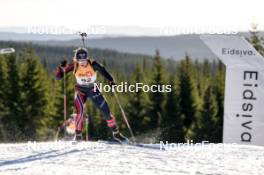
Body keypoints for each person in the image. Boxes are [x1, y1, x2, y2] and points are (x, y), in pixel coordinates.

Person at [55, 48, 128, 142]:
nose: (82, 63)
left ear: (87, 58)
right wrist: (61, 68)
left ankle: (116, 133)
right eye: (80, 61)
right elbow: (58, 77)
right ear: (76, 60)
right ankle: (78, 135)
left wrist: (111, 81)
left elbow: (104, 72)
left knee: (106, 111)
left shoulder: (93, 64)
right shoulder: (74, 65)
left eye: (84, 61)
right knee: (80, 112)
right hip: (80, 90)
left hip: (93, 89)